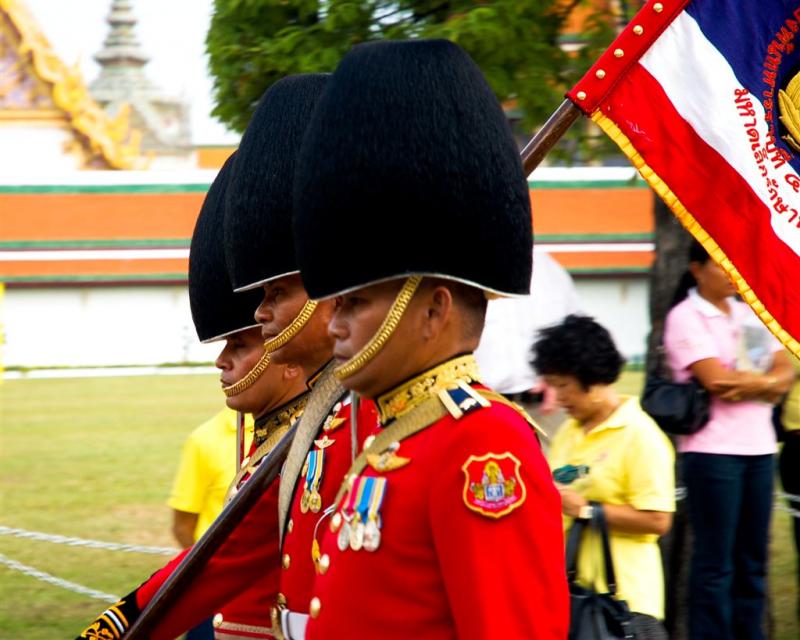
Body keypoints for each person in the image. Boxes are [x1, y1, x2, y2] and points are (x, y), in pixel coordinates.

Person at [286, 39, 569, 638]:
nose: (333, 322)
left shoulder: (485, 446)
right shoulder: (396, 432)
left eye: (356, 302)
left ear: (434, 310)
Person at [663, 238, 795, 640]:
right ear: (696, 269)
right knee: (715, 563)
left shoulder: (750, 312)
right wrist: (765, 385)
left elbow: (785, 371)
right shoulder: (686, 316)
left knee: (753, 561)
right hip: (712, 453)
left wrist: (759, 383)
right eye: (721, 264)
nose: (731, 271)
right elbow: (715, 381)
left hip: (759, 449)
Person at [533, 314, 675, 638]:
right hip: (576, 593)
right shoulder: (569, 432)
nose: (557, 398)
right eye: (552, 386)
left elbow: (658, 520)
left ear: (594, 379)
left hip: (626, 604)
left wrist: (587, 509)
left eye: (563, 386)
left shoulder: (640, 435)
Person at [474, 250, 581, 440]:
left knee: (555, 469)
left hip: (544, 410)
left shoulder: (548, 269)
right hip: (482, 407)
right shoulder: (464, 268)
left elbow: (576, 332)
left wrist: (562, 374)